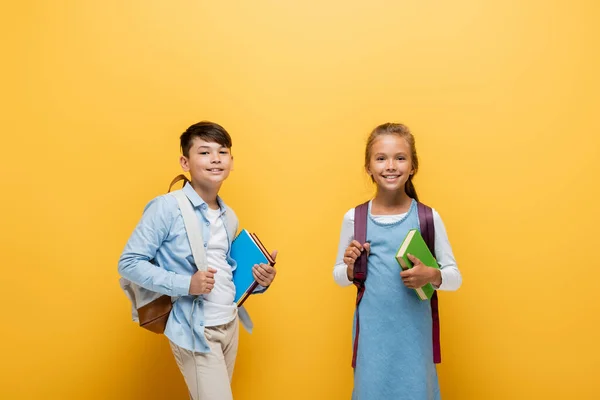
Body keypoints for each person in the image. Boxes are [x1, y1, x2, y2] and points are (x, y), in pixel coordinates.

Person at [119, 121, 277, 400]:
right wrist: (186, 284)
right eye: (204, 152)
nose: (215, 159)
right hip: (194, 329)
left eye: (222, 152)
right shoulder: (167, 207)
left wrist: (259, 280)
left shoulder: (229, 216)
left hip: (229, 324)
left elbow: (226, 270)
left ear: (231, 161)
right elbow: (129, 262)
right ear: (185, 161)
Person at [333, 122, 462, 399]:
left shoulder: (428, 217)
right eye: (381, 158)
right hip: (371, 342)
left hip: (415, 342)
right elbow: (338, 275)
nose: (390, 166)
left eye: (400, 158)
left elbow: (454, 277)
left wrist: (432, 275)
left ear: (413, 165)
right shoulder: (354, 218)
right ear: (368, 166)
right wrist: (350, 269)